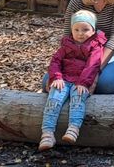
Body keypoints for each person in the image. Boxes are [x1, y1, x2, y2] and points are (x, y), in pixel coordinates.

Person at [39, 10, 106, 151]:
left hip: (80, 81)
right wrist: (56, 77)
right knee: (54, 99)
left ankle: (74, 128)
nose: (80, 33)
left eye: (85, 29)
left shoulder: (95, 46)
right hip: (64, 78)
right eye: (76, 29)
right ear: (71, 30)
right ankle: (47, 133)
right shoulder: (66, 45)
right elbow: (55, 61)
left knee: (78, 97)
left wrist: (83, 82)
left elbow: (92, 65)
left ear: (93, 30)